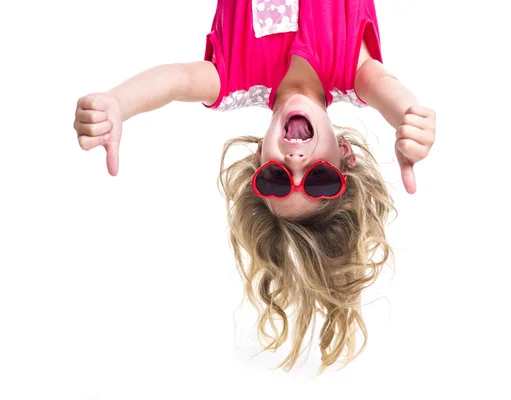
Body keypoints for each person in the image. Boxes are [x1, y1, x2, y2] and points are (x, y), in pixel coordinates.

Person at [72, 0, 436, 372]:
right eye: (319, 177)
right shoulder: (353, 72)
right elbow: (389, 91)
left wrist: (118, 103)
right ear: (345, 153)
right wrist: (410, 120)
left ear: (258, 159)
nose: (296, 166)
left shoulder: (231, 79)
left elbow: (177, 80)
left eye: (276, 178)